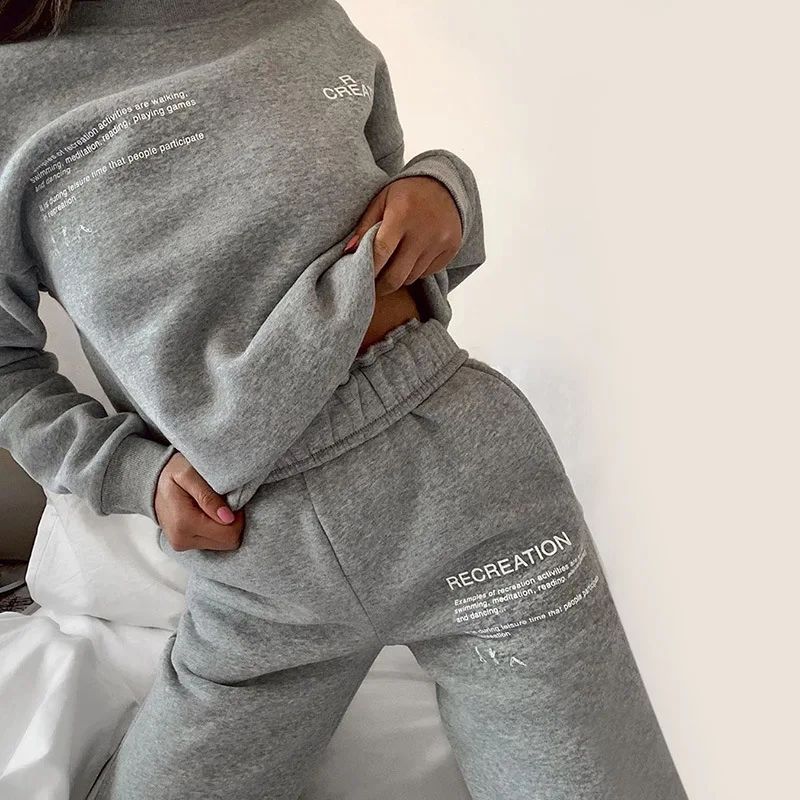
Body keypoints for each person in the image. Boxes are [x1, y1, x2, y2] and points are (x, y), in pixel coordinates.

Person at [0, 1, 691, 798]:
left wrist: (444, 188)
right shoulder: (14, 90)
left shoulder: (301, 13)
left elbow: (398, 217)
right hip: (257, 553)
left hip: (469, 486)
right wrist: (132, 475)